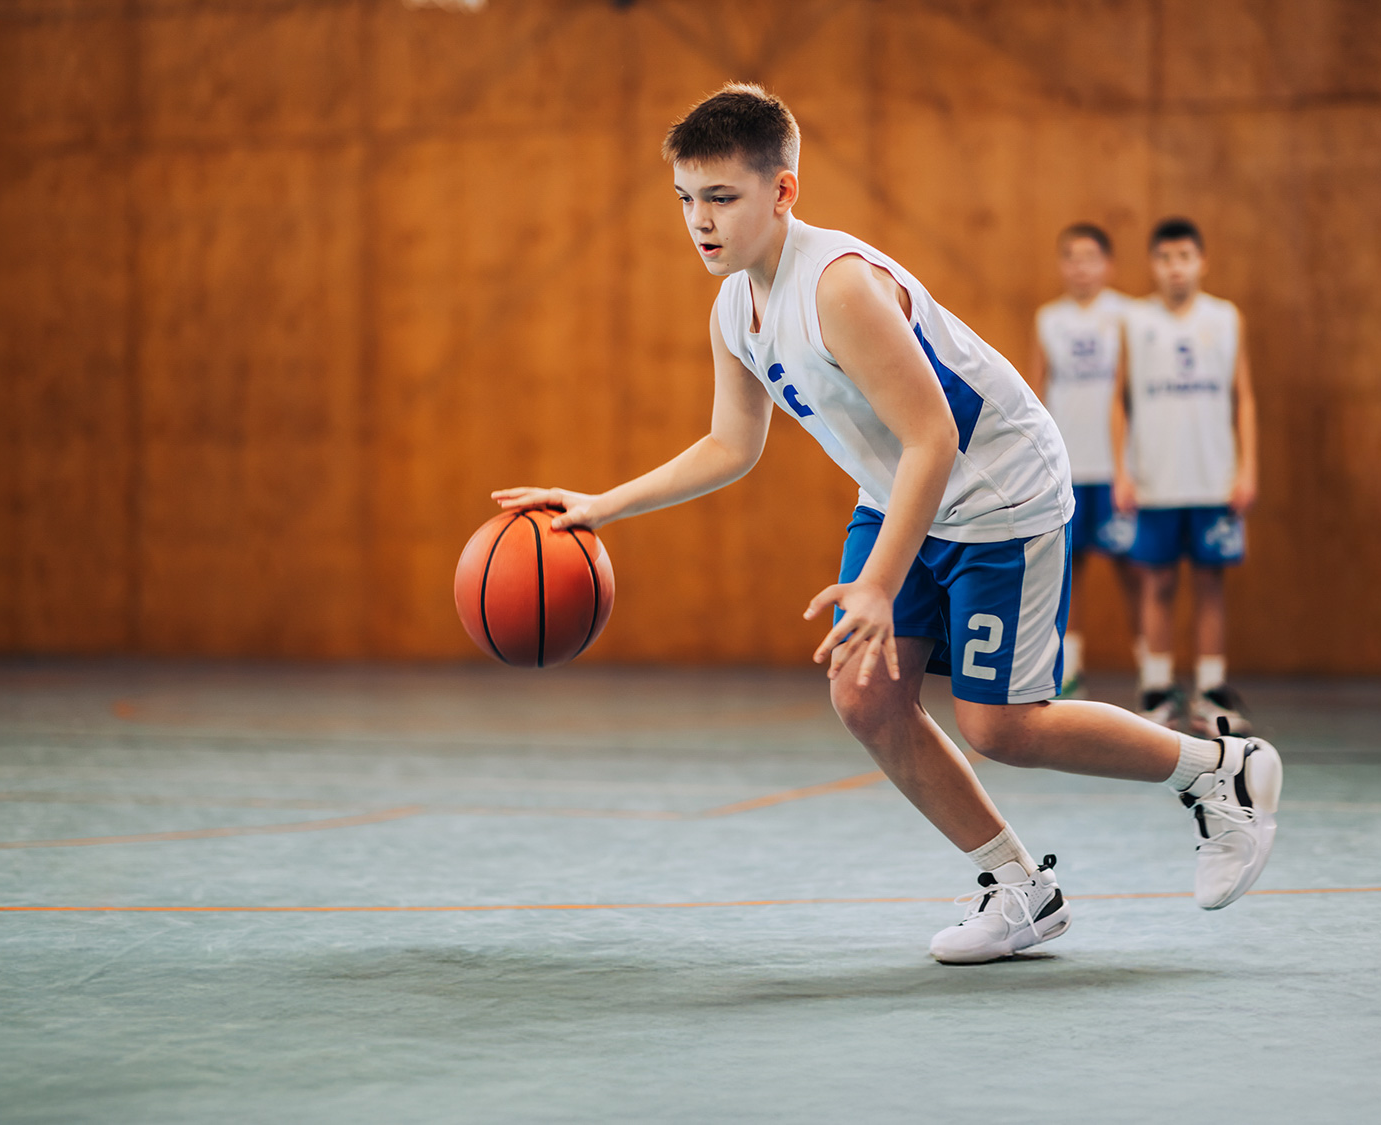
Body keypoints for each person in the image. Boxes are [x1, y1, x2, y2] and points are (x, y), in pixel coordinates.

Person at [491, 85, 1280, 962]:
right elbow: (730, 443)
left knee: (1000, 725)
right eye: (685, 198)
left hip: (998, 497)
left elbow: (935, 433)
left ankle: (1221, 772)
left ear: (783, 191)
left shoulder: (839, 288)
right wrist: (601, 505)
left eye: (722, 198)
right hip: (901, 489)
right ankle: (1022, 889)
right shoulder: (733, 309)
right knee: (865, 695)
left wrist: (875, 584)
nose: (699, 222)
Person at [1110, 218, 1258, 736]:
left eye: (1186, 257)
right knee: (1159, 581)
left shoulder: (1224, 317)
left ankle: (1211, 688)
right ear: (1154, 264)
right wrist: (1122, 471)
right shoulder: (1133, 318)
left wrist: (1247, 467)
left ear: (1202, 261)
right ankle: (1155, 687)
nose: (1176, 267)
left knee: (1210, 581)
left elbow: (1243, 396)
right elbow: (1119, 399)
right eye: (1166, 258)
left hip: (1213, 477)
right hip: (1155, 478)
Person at [1029, 224, 1139, 699]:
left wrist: (1132, 465)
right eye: (1071, 256)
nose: (1080, 266)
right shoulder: (1048, 319)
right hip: (1066, 467)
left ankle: (1151, 677)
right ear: (1061, 264)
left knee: (1135, 571)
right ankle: (1069, 671)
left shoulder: (1130, 316)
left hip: (1119, 471)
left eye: (1090, 256)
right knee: (1069, 571)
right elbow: (1031, 393)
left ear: (1108, 264)